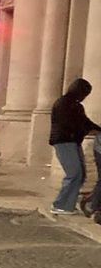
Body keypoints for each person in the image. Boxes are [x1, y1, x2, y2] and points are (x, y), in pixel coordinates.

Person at [50, 78, 94, 215]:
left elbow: (85, 122)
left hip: (73, 141)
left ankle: (67, 203)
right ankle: (60, 204)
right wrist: (84, 130)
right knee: (74, 173)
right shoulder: (63, 103)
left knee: (80, 174)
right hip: (64, 141)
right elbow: (69, 124)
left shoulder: (75, 105)